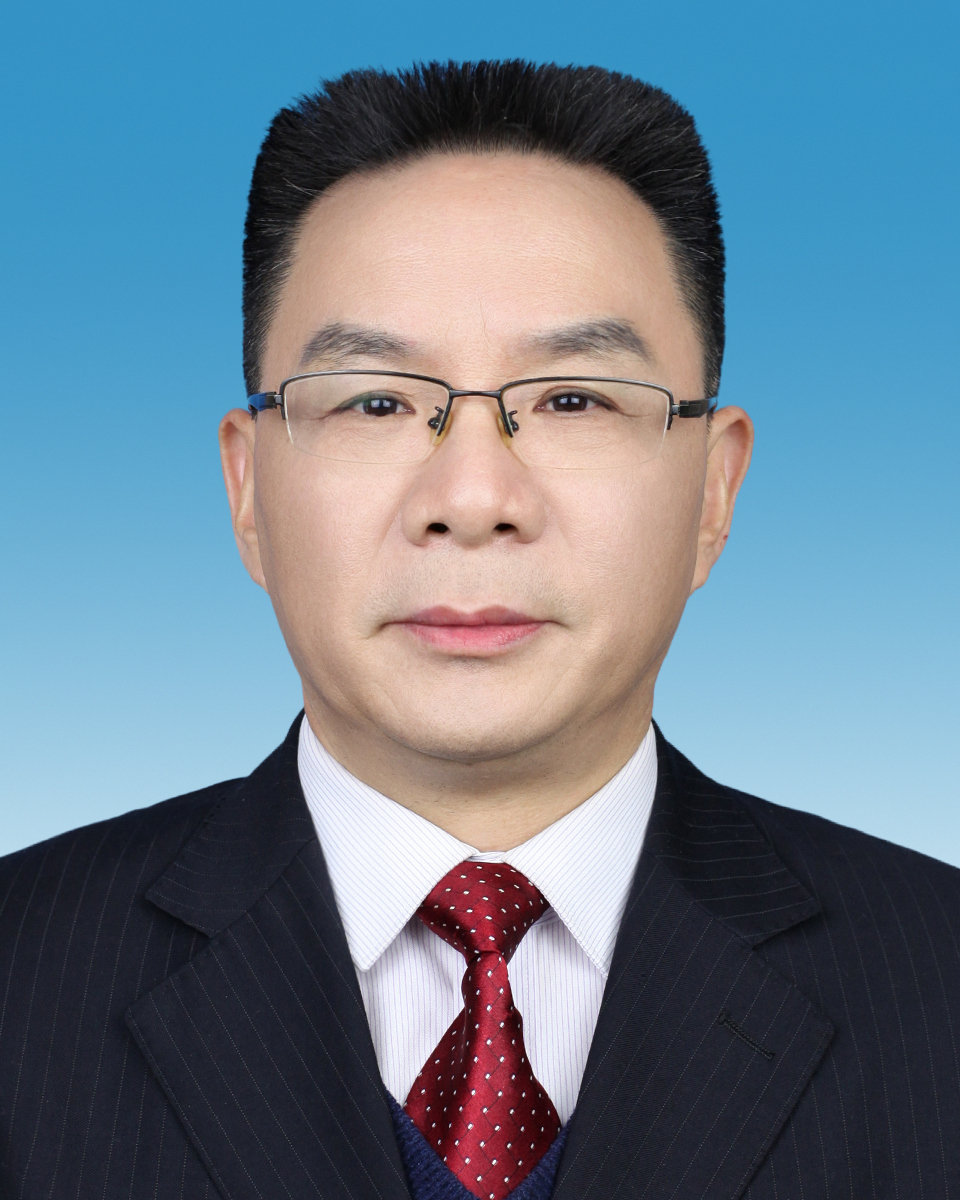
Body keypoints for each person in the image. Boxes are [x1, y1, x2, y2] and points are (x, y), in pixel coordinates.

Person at [1, 60, 957, 1200]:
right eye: (375, 400)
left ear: (715, 491)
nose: (471, 496)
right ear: (246, 492)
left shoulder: (935, 980)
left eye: (572, 399)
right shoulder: (22, 972)